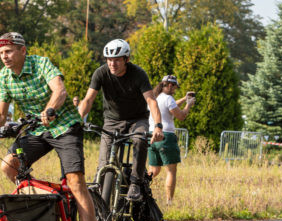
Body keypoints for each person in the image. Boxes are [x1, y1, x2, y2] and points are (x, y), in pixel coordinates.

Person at [0, 32, 101, 221]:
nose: (4, 57)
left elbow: (60, 91)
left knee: (75, 181)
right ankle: (43, 204)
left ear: (23, 51)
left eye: (9, 51)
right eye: (1, 53)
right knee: (9, 167)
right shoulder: (4, 76)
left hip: (64, 126)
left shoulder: (41, 63)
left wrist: (49, 109)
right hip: (36, 130)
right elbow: (1, 114)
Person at [79, 39, 164, 201]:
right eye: (109, 59)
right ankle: (101, 191)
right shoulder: (100, 73)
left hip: (137, 119)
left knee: (140, 140)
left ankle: (135, 183)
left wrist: (158, 126)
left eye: (117, 60)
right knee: (104, 163)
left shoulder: (138, 74)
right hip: (112, 120)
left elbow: (151, 101)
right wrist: (77, 120)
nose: (112, 63)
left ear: (127, 59)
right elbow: (88, 100)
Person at [148, 75, 195, 205]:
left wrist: (185, 99)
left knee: (154, 171)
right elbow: (181, 116)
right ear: (170, 85)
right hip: (166, 137)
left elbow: (171, 105)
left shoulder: (156, 97)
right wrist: (189, 105)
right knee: (171, 171)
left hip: (151, 136)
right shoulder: (169, 99)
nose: (175, 90)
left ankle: (138, 189)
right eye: (175, 87)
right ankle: (169, 202)